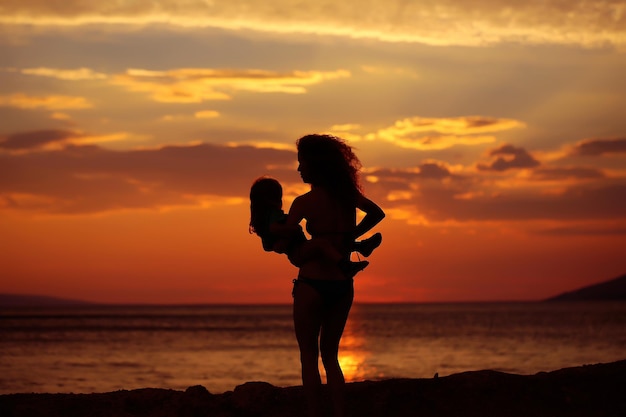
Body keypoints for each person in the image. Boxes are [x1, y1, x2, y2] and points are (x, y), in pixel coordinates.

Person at [285, 134, 385, 417]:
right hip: (342, 285)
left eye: (301, 163)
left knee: (308, 356)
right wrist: (350, 235)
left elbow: (286, 235)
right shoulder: (347, 198)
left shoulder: (304, 202)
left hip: (312, 284)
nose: (299, 169)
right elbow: (377, 213)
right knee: (331, 356)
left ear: (315, 165)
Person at [249, 176, 382, 278]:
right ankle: (346, 265)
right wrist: (292, 229)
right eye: (278, 197)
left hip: (299, 249)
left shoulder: (267, 217)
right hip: (297, 252)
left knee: (324, 244)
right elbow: (275, 231)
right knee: (321, 244)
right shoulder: (273, 215)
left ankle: (359, 247)